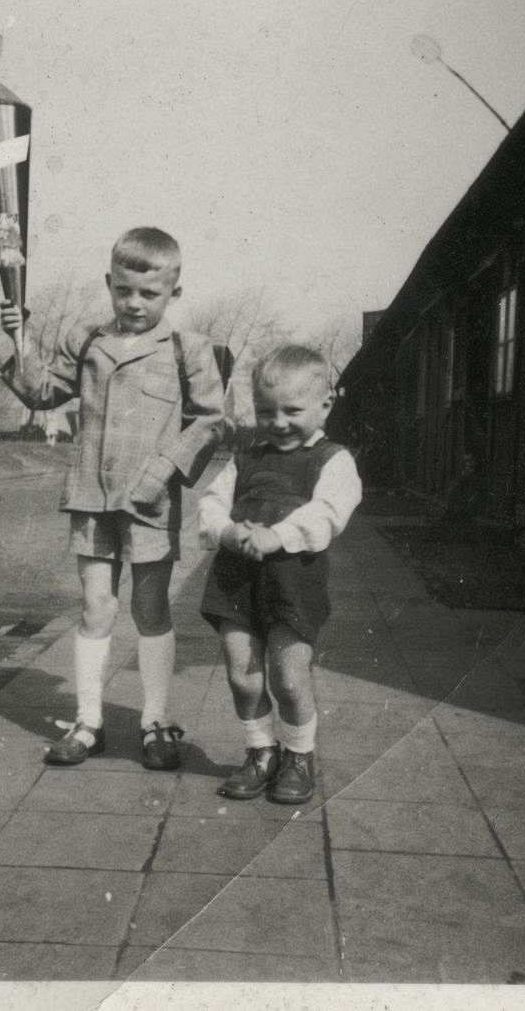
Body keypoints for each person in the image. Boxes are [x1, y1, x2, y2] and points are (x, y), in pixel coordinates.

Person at [0, 226, 224, 770]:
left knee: (150, 609)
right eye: (124, 290)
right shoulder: (87, 340)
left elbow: (212, 421)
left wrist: (163, 470)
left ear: (174, 292)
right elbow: (40, 392)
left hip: (150, 502)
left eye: (149, 293)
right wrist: (15, 340)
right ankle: (89, 721)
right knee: (95, 607)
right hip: (91, 497)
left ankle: (155, 721)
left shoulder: (187, 349)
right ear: (109, 283)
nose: (134, 303)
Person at [198, 344, 362, 803]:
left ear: (325, 405)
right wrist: (229, 532)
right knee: (242, 675)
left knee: (289, 678)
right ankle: (259, 751)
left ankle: (298, 753)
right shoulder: (246, 457)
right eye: (267, 412)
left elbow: (329, 512)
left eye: (293, 410)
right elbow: (211, 502)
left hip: (293, 582)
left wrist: (279, 536)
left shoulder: (333, 460)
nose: (279, 422)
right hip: (237, 579)